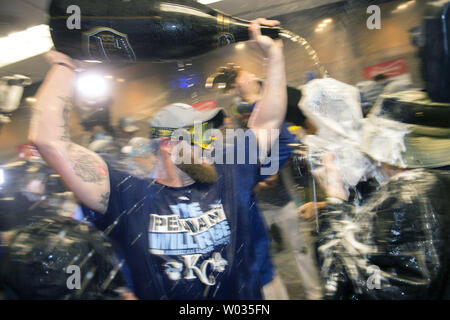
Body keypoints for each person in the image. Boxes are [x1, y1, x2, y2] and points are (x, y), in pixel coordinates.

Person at [29, 18, 288, 299]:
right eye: (200, 137)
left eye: (210, 136)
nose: (210, 145)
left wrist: (274, 55)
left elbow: (268, 121)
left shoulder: (229, 170)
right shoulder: (128, 197)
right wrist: (66, 64)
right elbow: (50, 142)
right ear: (168, 145)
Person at [312, 90, 450, 299]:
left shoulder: (409, 195)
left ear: (393, 154)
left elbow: (348, 285)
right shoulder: (433, 181)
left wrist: (335, 203)